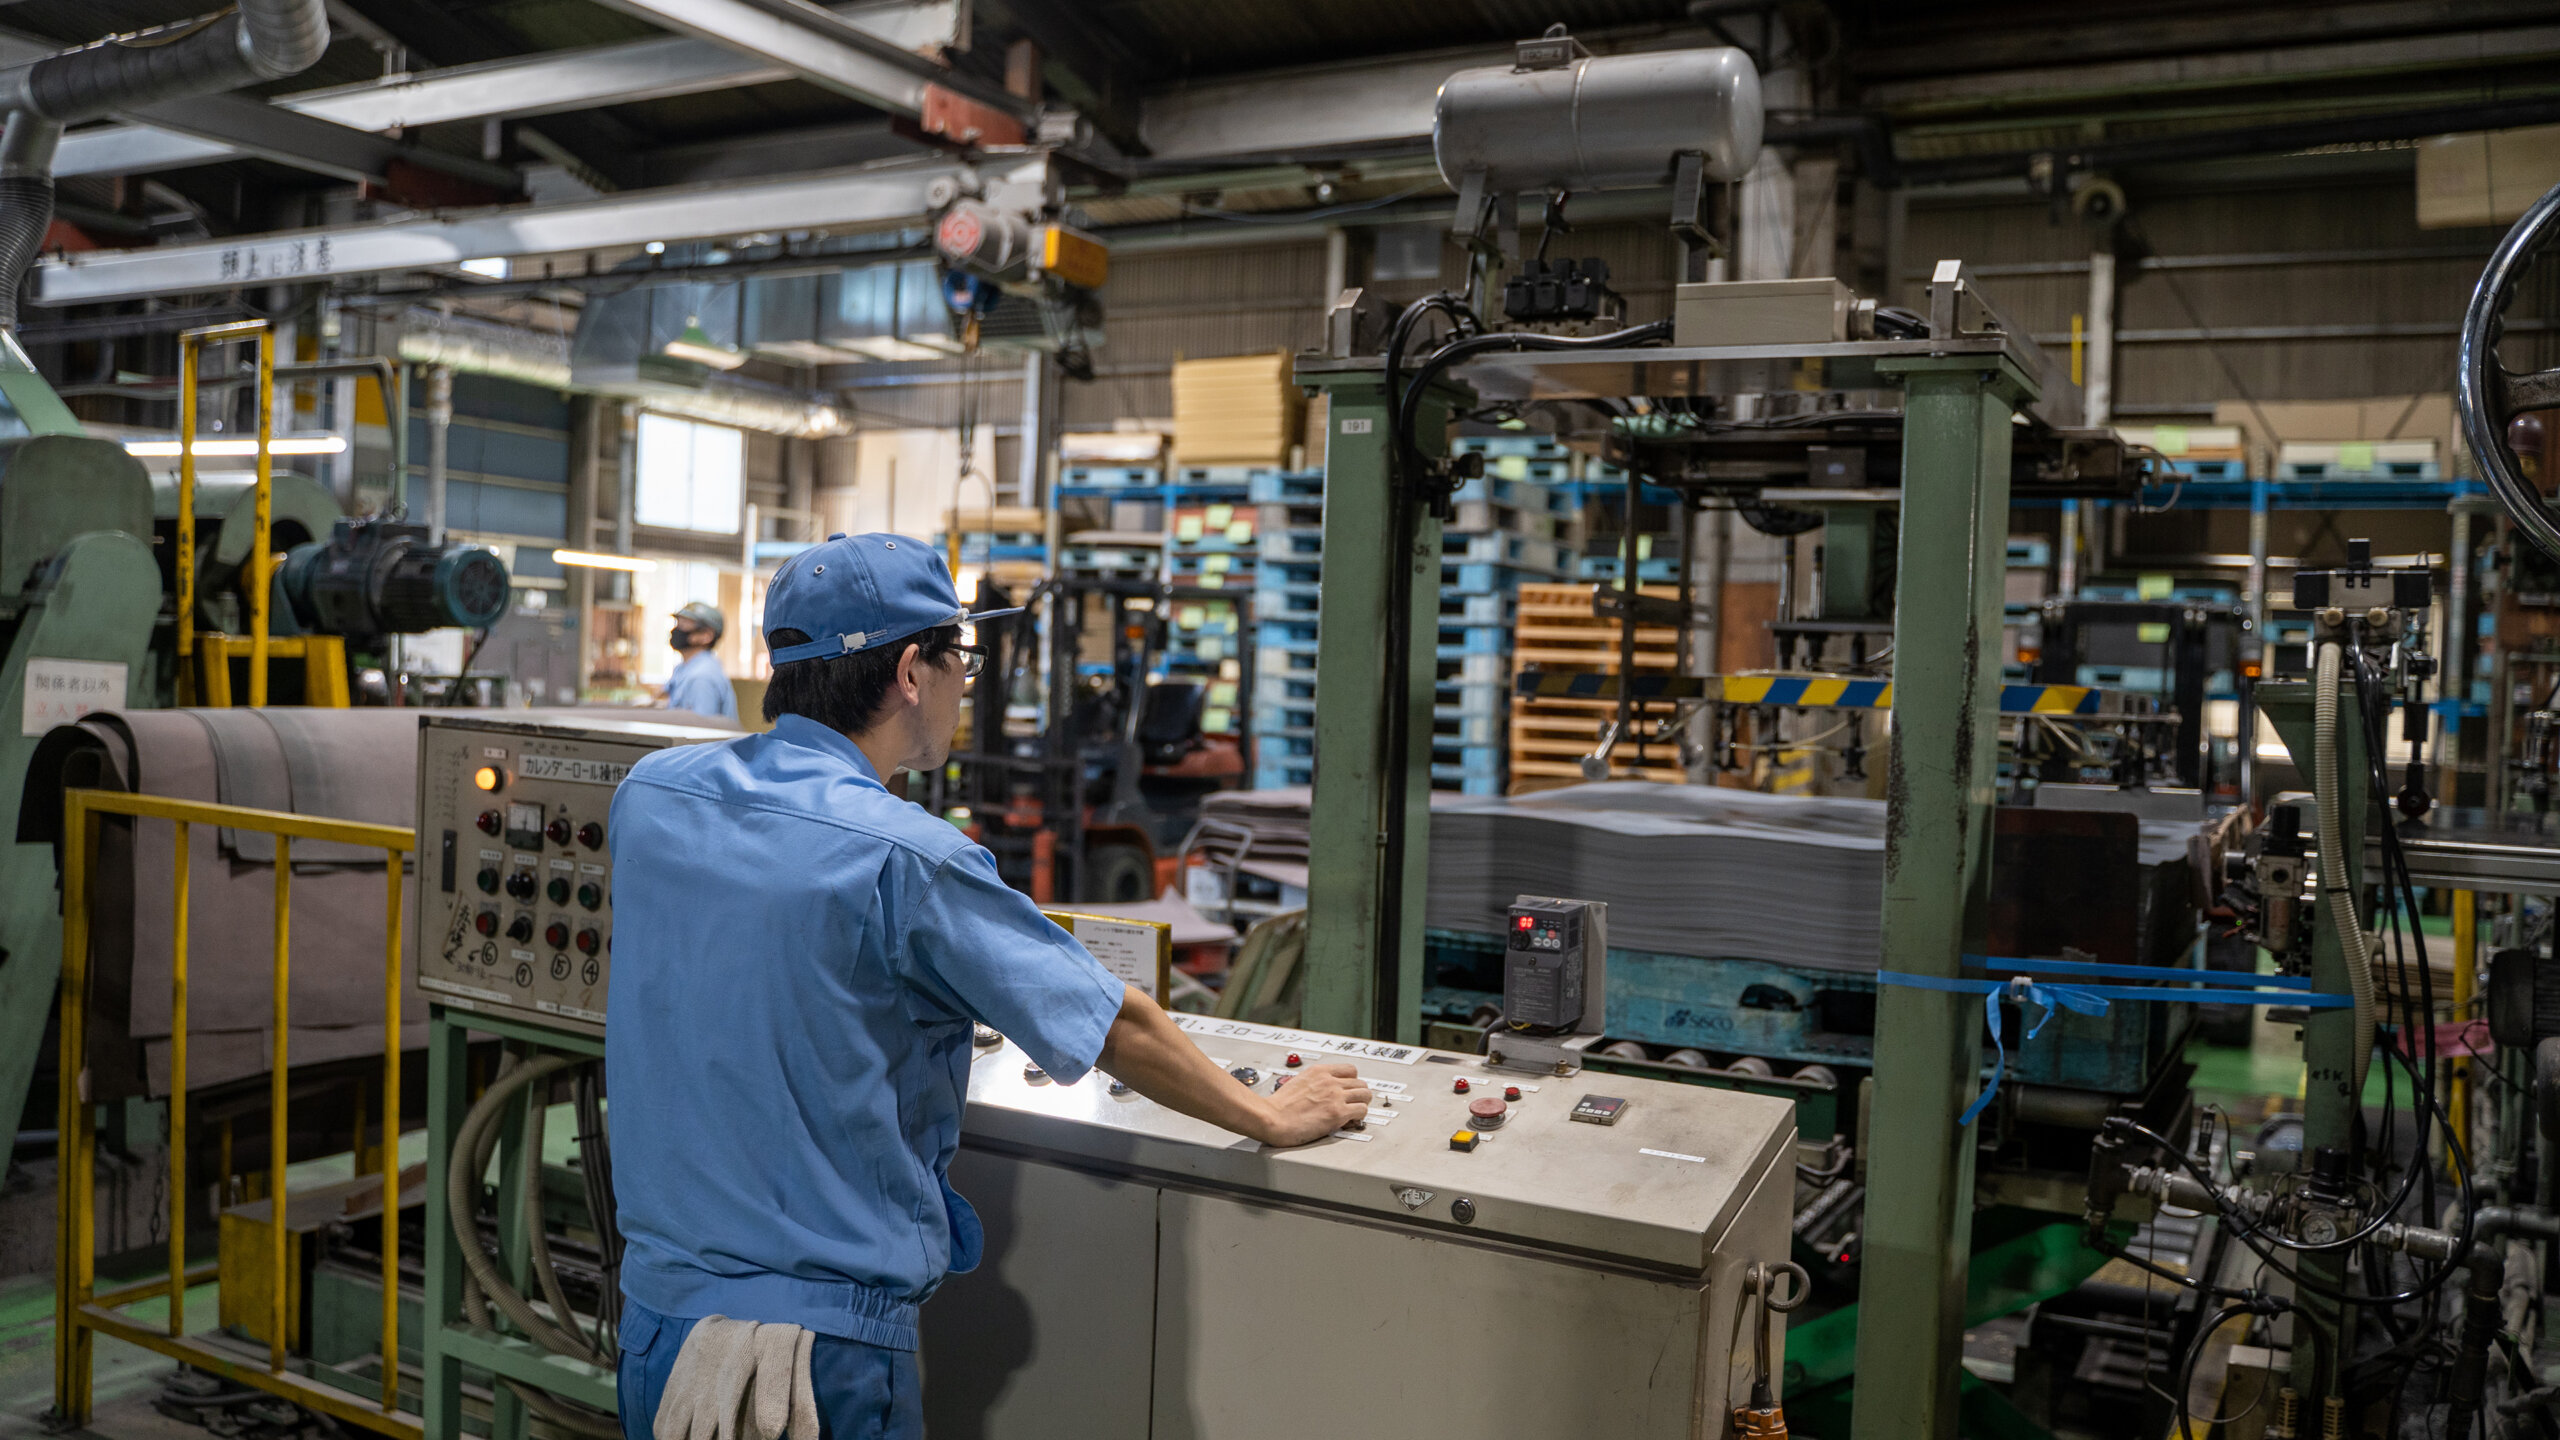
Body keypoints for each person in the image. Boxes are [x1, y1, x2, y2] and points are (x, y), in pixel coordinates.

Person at [605, 532, 1368, 1440]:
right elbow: (1115, 1025)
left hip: (655, 1330)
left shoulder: (653, 795)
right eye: (960, 658)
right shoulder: (910, 858)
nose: (966, 684)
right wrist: (1270, 1115)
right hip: (809, 1366)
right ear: (909, 673)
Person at [662, 601, 736, 720]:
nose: (675, 630)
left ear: (706, 636)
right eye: (678, 623)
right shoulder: (683, 668)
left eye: (684, 625)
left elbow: (701, 727)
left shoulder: (702, 677)